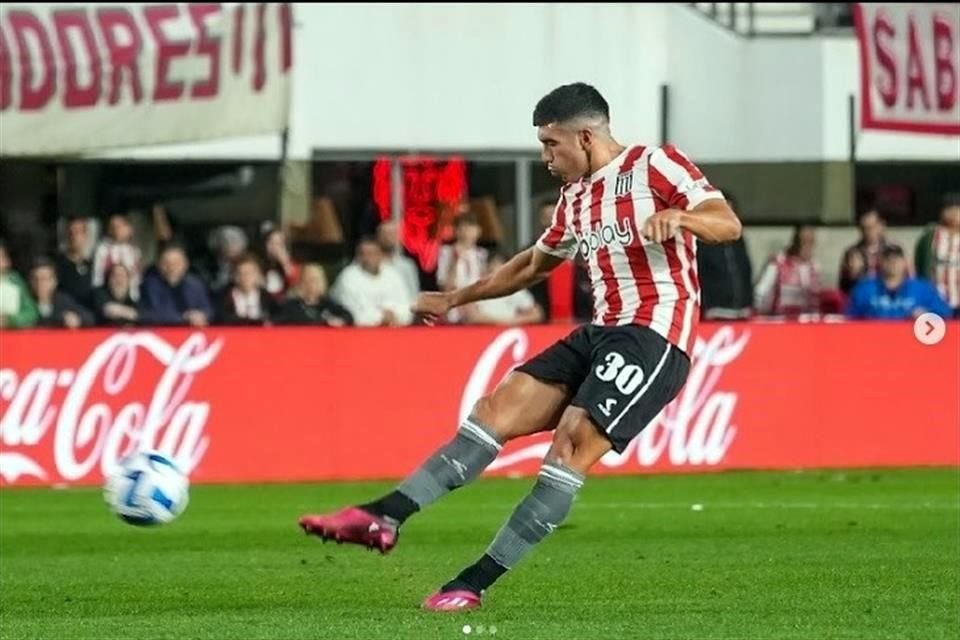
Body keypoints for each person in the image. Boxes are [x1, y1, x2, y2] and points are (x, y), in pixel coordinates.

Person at [298, 82, 742, 611]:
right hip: (601, 331)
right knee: (494, 409)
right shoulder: (575, 199)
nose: (545, 156)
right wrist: (456, 297)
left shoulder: (657, 165)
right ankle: (386, 515)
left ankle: (472, 583)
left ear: (584, 136)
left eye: (551, 144)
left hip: (655, 337)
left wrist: (684, 218)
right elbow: (533, 264)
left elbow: (727, 223)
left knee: (571, 443)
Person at [847, 244, 951, 320]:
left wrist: (927, 315)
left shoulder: (923, 288)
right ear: (880, 262)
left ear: (905, 262)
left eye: (897, 258)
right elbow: (848, 318)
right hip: (874, 342)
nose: (893, 262)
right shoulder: (864, 289)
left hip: (912, 344)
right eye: (888, 258)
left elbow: (946, 314)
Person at [330, 237, 414, 327]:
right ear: (358, 256)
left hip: (396, 329)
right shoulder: (348, 277)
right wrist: (380, 317)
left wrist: (395, 314)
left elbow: (407, 305)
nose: (367, 258)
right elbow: (349, 313)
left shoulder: (393, 274)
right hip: (361, 333)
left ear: (381, 255)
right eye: (363, 254)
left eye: (372, 253)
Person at [753, 224, 822, 317]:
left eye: (811, 242)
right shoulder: (779, 263)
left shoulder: (814, 266)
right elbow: (761, 293)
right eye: (804, 242)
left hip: (805, 322)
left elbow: (814, 299)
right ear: (796, 242)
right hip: (778, 320)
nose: (808, 246)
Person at [462, 252, 545, 325]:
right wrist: (502, 323)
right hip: (482, 333)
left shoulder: (514, 289)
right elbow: (473, 316)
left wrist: (515, 321)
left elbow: (537, 314)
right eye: (491, 268)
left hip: (508, 334)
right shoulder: (476, 288)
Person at [914, 194, 960, 318]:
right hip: (936, 301)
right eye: (949, 209)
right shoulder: (930, 236)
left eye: (957, 209)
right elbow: (919, 265)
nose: (953, 213)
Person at [275, 264, 354, 326]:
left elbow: (348, 317)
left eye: (317, 280)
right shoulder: (291, 306)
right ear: (302, 282)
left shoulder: (328, 304)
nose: (313, 284)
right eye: (310, 280)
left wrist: (339, 321)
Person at [29, 258, 94, 329]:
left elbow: (89, 318)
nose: (40, 284)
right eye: (35, 279)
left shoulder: (62, 300)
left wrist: (77, 319)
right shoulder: (25, 300)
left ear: (54, 281)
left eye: (44, 279)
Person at [0, 239, 38, 329]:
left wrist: (10, 320)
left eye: (1, 256)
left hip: (13, 337)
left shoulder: (15, 281)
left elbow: (31, 313)